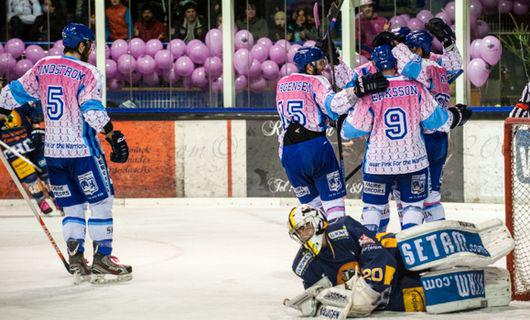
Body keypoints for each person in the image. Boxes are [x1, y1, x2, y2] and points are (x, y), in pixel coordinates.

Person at [0, 23, 131, 283]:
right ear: (82, 45)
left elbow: (11, 93)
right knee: (101, 201)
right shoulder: (88, 71)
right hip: (82, 151)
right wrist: (111, 133)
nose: (90, 50)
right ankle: (103, 258)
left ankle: (76, 258)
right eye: (89, 45)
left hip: (54, 153)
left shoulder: (42, 66)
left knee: (72, 206)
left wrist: (2, 113)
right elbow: (92, 109)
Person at [285, 204, 513, 318]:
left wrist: (366, 288)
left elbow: (378, 256)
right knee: (439, 290)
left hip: (398, 253)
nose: (304, 235)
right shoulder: (304, 265)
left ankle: (478, 239)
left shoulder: (342, 227)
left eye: (305, 228)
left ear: (318, 222)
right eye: (299, 233)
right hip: (388, 297)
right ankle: (489, 286)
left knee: (437, 252)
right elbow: (322, 299)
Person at [341, 45, 469, 231]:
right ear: (397, 64)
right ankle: (411, 249)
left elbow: (351, 130)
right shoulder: (415, 86)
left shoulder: (369, 93)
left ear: (375, 67)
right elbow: (435, 122)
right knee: (413, 206)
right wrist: (455, 117)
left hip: (378, 162)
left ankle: (370, 249)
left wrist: (343, 121)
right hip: (413, 160)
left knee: (373, 207)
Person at [275, 46, 388, 221]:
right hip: (314, 147)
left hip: (288, 153)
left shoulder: (282, 83)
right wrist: (357, 91)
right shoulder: (317, 81)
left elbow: (306, 107)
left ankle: (318, 245)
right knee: (333, 204)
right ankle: (338, 241)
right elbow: (333, 105)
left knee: (311, 212)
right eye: (320, 63)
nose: (323, 67)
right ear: (309, 66)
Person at [0, 100, 56, 215]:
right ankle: (41, 201)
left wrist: (36, 126)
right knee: (29, 177)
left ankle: (57, 199)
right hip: (12, 146)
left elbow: (32, 111)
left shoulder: (11, 97)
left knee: (45, 171)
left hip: (31, 139)